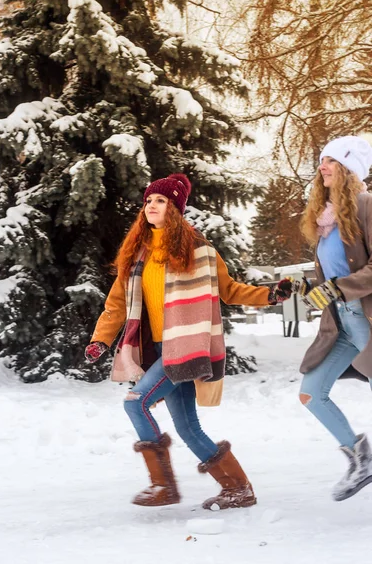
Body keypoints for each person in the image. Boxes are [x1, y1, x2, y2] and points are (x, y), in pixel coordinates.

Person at [85, 173, 292, 509]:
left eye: (161, 200)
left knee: (135, 402)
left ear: (175, 209)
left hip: (186, 348)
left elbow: (230, 290)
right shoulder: (137, 254)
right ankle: (238, 489)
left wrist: (270, 296)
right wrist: (101, 340)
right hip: (159, 350)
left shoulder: (200, 251)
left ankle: (163, 486)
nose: (151, 205)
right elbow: (116, 304)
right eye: (149, 200)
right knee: (187, 427)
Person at [295, 135, 372, 501]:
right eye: (321, 161)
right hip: (341, 324)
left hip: (367, 319)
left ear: (349, 168)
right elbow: (331, 276)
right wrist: (311, 288)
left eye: (331, 161)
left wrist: (340, 288)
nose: (322, 167)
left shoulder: (366, 206)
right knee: (311, 393)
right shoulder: (326, 221)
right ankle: (360, 458)